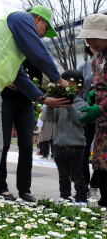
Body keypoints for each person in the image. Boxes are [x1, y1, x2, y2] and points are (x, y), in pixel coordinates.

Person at [0, 5, 70, 196]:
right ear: (38, 19)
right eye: (44, 30)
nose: (42, 36)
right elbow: (38, 51)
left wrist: (42, 98)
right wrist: (58, 78)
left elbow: (19, 76)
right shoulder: (20, 18)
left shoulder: (13, 43)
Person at [0, 59, 43, 202]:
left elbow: (38, 81)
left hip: (26, 103)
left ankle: (25, 190)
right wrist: (6, 81)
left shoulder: (34, 57)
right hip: (5, 100)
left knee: (27, 146)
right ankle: (0, 187)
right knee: (3, 144)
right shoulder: (9, 53)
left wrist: (28, 85)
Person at [78, 14, 107, 207]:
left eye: (94, 37)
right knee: (100, 157)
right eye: (88, 39)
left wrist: (102, 106)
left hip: (103, 109)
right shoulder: (96, 58)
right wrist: (92, 95)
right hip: (101, 120)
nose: (91, 42)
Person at [46, 70, 88, 203]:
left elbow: (81, 121)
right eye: (64, 84)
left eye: (71, 84)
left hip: (76, 145)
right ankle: (65, 196)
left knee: (76, 174)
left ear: (79, 87)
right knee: (63, 175)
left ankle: (81, 198)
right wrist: (50, 106)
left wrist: (70, 106)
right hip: (59, 144)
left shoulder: (81, 104)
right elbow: (50, 120)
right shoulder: (58, 103)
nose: (67, 86)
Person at [78, 46, 99, 199]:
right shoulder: (84, 67)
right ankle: (83, 185)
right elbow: (78, 91)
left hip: (103, 113)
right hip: (89, 113)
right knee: (84, 152)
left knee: (100, 154)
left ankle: (97, 184)